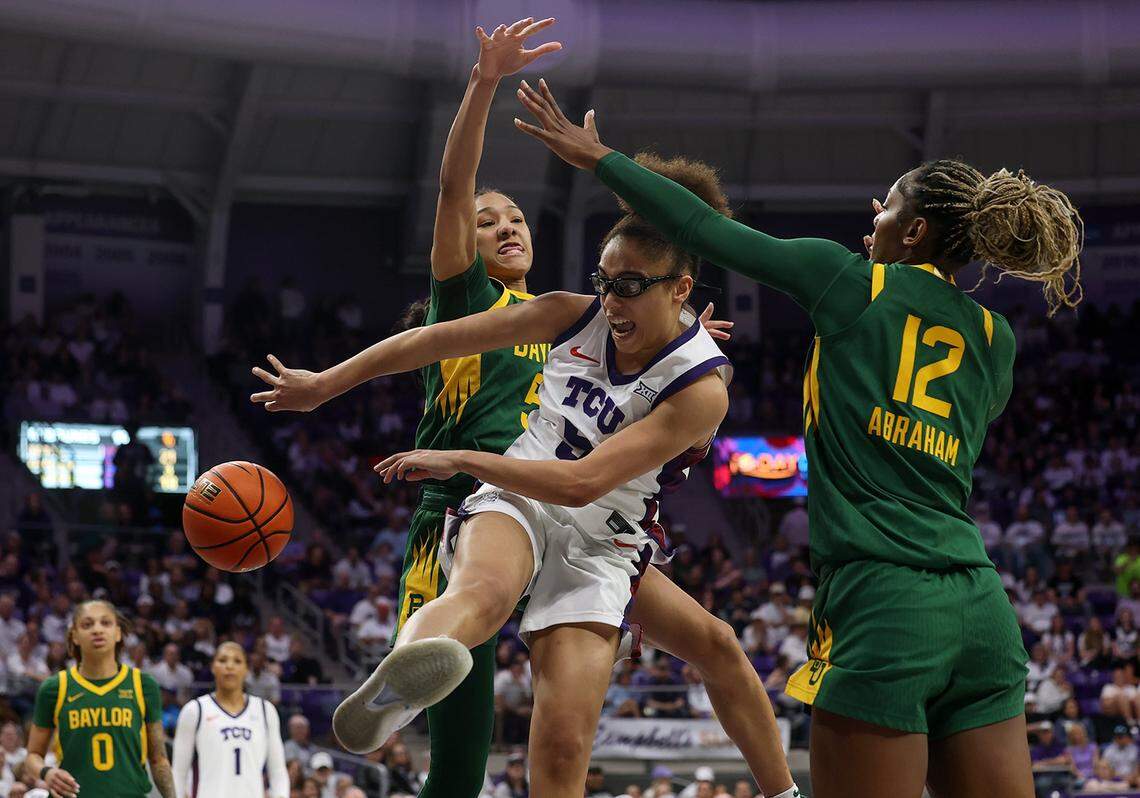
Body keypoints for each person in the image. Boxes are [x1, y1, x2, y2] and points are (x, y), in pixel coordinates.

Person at [250, 19, 796, 798]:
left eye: (514, 218)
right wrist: (323, 386)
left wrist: (675, 341)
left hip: (594, 523)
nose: (611, 299)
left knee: (585, 731)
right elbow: (438, 260)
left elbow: (596, 468)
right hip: (479, 494)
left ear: (677, 291)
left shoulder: (684, 370)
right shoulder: (519, 303)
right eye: (488, 220)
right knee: (468, 701)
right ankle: (402, 671)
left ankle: (784, 790)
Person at [515, 76, 1082, 798]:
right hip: (980, 605)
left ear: (913, 234)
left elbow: (704, 232)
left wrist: (600, 159)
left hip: (884, 598)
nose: (873, 213)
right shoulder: (996, 338)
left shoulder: (850, 282)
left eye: (891, 204)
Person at [23, 599, 173, 798]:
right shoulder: (54, 688)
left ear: (118, 633)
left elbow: (159, 759)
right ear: (74, 636)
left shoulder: (143, 684)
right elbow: (32, 756)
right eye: (87, 624)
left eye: (106, 623)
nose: (97, 630)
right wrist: (46, 772)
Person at [171, 641, 288, 798]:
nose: (230, 666)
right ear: (213, 667)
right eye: (222, 660)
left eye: (237, 661)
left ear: (246, 669)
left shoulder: (265, 711)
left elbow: (278, 771)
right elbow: (178, 772)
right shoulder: (195, 710)